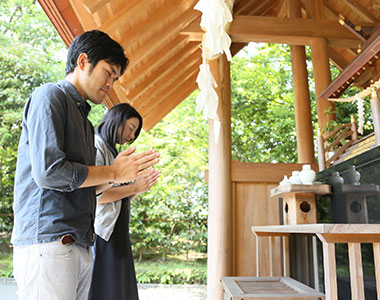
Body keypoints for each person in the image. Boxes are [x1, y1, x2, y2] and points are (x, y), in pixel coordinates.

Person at [11, 30, 160, 300]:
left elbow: (84, 186)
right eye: (108, 73)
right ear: (82, 62)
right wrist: (114, 172)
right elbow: (49, 173)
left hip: (78, 243)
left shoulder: (84, 121)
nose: (110, 85)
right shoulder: (50, 96)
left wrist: (120, 176)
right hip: (49, 240)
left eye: (115, 79)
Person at [88, 103, 160, 300]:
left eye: (135, 132)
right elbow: (98, 196)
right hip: (104, 232)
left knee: (120, 291)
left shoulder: (112, 151)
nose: (131, 135)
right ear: (116, 120)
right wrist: (135, 187)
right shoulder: (97, 146)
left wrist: (140, 187)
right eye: (130, 128)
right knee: (105, 291)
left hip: (117, 231)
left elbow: (118, 196)